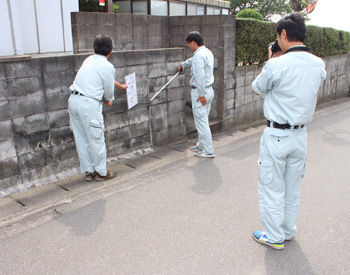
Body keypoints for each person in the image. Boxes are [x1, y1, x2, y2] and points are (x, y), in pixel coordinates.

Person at [251, 13, 326, 250]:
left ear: (283, 34)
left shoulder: (276, 64)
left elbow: (257, 88)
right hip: (300, 135)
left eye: (278, 36)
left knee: (272, 187)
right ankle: (287, 230)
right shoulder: (318, 63)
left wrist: (272, 59)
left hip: (277, 135)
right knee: (292, 187)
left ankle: (273, 236)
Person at [68, 34, 127, 181]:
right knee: (96, 138)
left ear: (94, 48)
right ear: (110, 51)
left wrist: (119, 85)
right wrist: (108, 101)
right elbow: (107, 91)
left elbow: (100, 77)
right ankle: (101, 172)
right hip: (88, 104)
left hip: (73, 100)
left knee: (82, 138)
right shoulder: (108, 66)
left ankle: (89, 171)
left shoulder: (89, 60)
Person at [177, 31, 215, 158]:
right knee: (203, 120)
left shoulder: (199, 56)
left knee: (201, 122)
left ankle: (208, 151)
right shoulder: (206, 52)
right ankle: (201, 145)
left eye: (188, 43)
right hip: (209, 91)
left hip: (200, 92)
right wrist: (183, 64)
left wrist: (201, 95)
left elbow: (199, 76)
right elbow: (191, 61)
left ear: (193, 42)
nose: (188, 46)